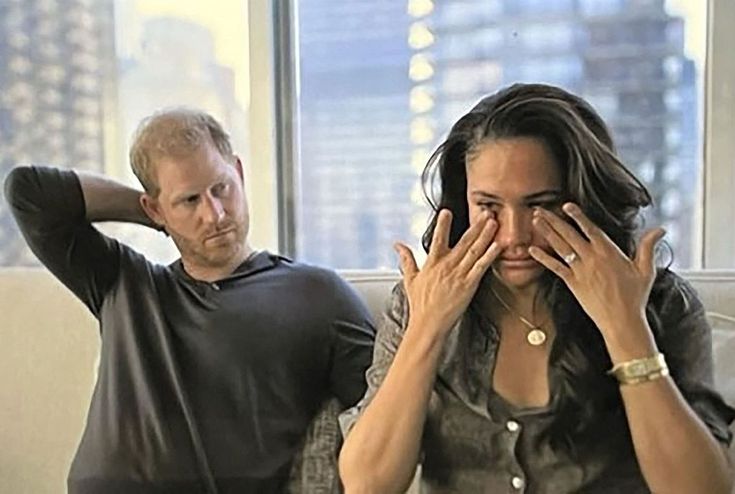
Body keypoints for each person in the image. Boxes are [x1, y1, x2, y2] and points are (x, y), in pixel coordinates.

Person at [338, 83, 734, 493]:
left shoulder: (662, 303)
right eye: (489, 207)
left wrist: (625, 326)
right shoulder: (418, 303)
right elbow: (367, 484)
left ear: (584, 198)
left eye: (539, 204)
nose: (514, 236)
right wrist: (428, 328)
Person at [4, 108, 376, 494]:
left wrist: (176, 209)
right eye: (190, 200)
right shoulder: (124, 282)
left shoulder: (316, 294)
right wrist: (157, 214)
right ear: (155, 208)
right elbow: (28, 192)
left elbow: (390, 412)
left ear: (240, 174)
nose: (214, 215)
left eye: (221, 188)